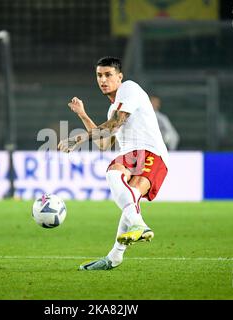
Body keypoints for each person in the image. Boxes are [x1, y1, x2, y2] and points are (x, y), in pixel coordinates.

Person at [58, 56, 169, 271]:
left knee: (115, 175)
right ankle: (114, 257)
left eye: (108, 75)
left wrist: (78, 139)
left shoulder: (129, 89)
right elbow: (103, 143)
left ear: (120, 77)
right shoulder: (113, 109)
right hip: (133, 156)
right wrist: (82, 114)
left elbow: (115, 124)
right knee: (131, 200)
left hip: (150, 153)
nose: (103, 80)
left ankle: (139, 227)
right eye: (99, 75)